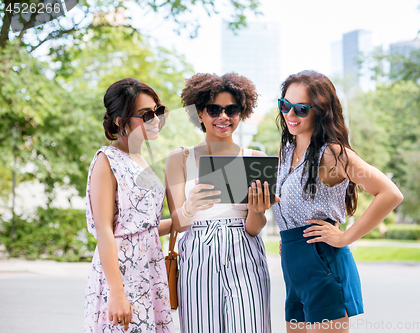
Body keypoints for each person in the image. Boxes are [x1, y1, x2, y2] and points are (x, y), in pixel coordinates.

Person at [273, 70, 404, 332]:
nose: (290, 115)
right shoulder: (287, 151)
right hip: (293, 263)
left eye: (300, 109)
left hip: (322, 262)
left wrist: (345, 237)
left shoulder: (333, 154)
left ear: (320, 111)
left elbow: (390, 193)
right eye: (285, 106)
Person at [165, 73, 277, 333]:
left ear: (242, 113)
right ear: (199, 114)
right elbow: (179, 224)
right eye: (213, 109)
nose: (223, 116)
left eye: (232, 109)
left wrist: (258, 211)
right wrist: (189, 206)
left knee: (252, 327)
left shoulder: (255, 158)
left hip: (245, 252)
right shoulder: (179, 159)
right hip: (198, 253)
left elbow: (254, 228)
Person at [84, 78, 175, 332]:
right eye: (146, 115)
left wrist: (182, 220)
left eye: (158, 111)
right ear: (119, 120)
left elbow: (139, 228)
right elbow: (105, 230)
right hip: (121, 275)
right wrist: (116, 293)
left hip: (149, 271)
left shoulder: (139, 157)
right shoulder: (107, 160)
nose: (155, 120)